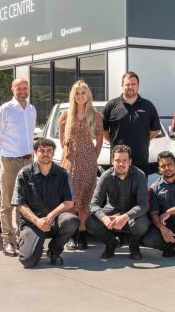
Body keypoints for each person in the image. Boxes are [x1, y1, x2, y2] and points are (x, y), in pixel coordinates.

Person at [12, 138, 79, 268]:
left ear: (53, 153)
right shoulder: (24, 174)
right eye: (41, 151)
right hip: (32, 223)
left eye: (49, 151)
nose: (45, 154)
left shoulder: (63, 174)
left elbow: (69, 202)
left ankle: (54, 251)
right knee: (28, 261)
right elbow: (20, 204)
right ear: (35, 152)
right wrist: (37, 221)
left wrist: (51, 216)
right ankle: (33, 242)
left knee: (72, 221)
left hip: (54, 220)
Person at [0, 77, 37, 257]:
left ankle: (22, 238)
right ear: (13, 89)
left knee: (24, 202)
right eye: (19, 88)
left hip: (27, 161)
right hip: (10, 161)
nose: (23, 91)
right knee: (8, 202)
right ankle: (8, 241)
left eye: (25, 88)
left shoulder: (31, 110)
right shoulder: (6, 110)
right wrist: (6, 155)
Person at [58, 80, 103, 250]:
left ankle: (82, 234)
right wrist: (70, 155)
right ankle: (71, 235)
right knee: (71, 197)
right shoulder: (65, 115)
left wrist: (92, 157)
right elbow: (63, 141)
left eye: (83, 92)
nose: (80, 96)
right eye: (77, 93)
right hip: (70, 161)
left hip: (88, 161)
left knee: (85, 197)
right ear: (73, 96)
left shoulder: (96, 116)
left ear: (88, 95)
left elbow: (99, 140)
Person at [86, 145, 150, 260]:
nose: (121, 164)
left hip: (131, 215)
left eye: (124, 160)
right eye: (117, 160)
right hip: (112, 214)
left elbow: (143, 205)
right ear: (112, 161)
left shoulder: (140, 175)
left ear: (130, 161)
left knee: (142, 223)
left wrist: (126, 216)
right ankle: (111, 243)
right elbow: (94, 204)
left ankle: (134, 245)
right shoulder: (105, 176)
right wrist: (104, 218)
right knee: (90, 221)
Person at [102, 71, 161, 176]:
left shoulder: (148, 106)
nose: (130, 87)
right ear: (122, 86)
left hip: (140, 160)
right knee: (118, 192)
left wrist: (143, 139)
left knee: (140, 192)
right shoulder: (111, 105)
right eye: (127, 84)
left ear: (138, 86)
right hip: (118, 161)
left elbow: (156, 129)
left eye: (133, 84)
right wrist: (113, 142)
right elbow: (103, 130)